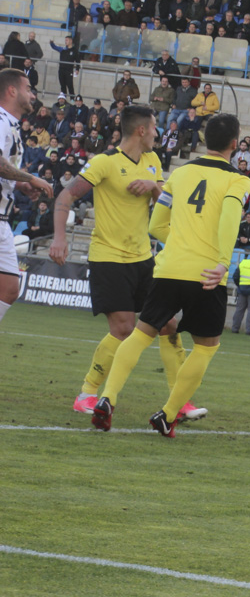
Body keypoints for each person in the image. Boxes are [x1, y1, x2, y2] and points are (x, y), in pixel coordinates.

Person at [89, 114, 248, 437]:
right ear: (235, 143)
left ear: (203, 140)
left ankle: (107, 398)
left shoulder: (180, 172)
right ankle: (168, 414)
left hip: (168, 268)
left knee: (140, 334)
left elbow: (155, 225)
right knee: (205, 346)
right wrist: (221, 262)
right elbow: (230, 218)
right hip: (205, 273)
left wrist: (179, 243)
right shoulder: (238, 180)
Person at [48, 104, 201, 417]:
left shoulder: (153, 161)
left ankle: (180, 402)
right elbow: (66, 197)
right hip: (109, 257)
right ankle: (88, 393)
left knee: (169, 324)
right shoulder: (104, 162)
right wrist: (59, 238)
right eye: (156, 127)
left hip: (143, 258)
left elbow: (166, 202)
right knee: (123, 328)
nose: (159, 133)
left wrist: (154, 186)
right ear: (141, 130)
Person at [0, 70, 54, 326]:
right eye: (29, 88)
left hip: (2, 218)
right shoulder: (0, 120)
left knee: (10, 288)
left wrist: (20, 184)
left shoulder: (10, 124)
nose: (33, 94)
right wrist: (31, 178)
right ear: (12, 91)